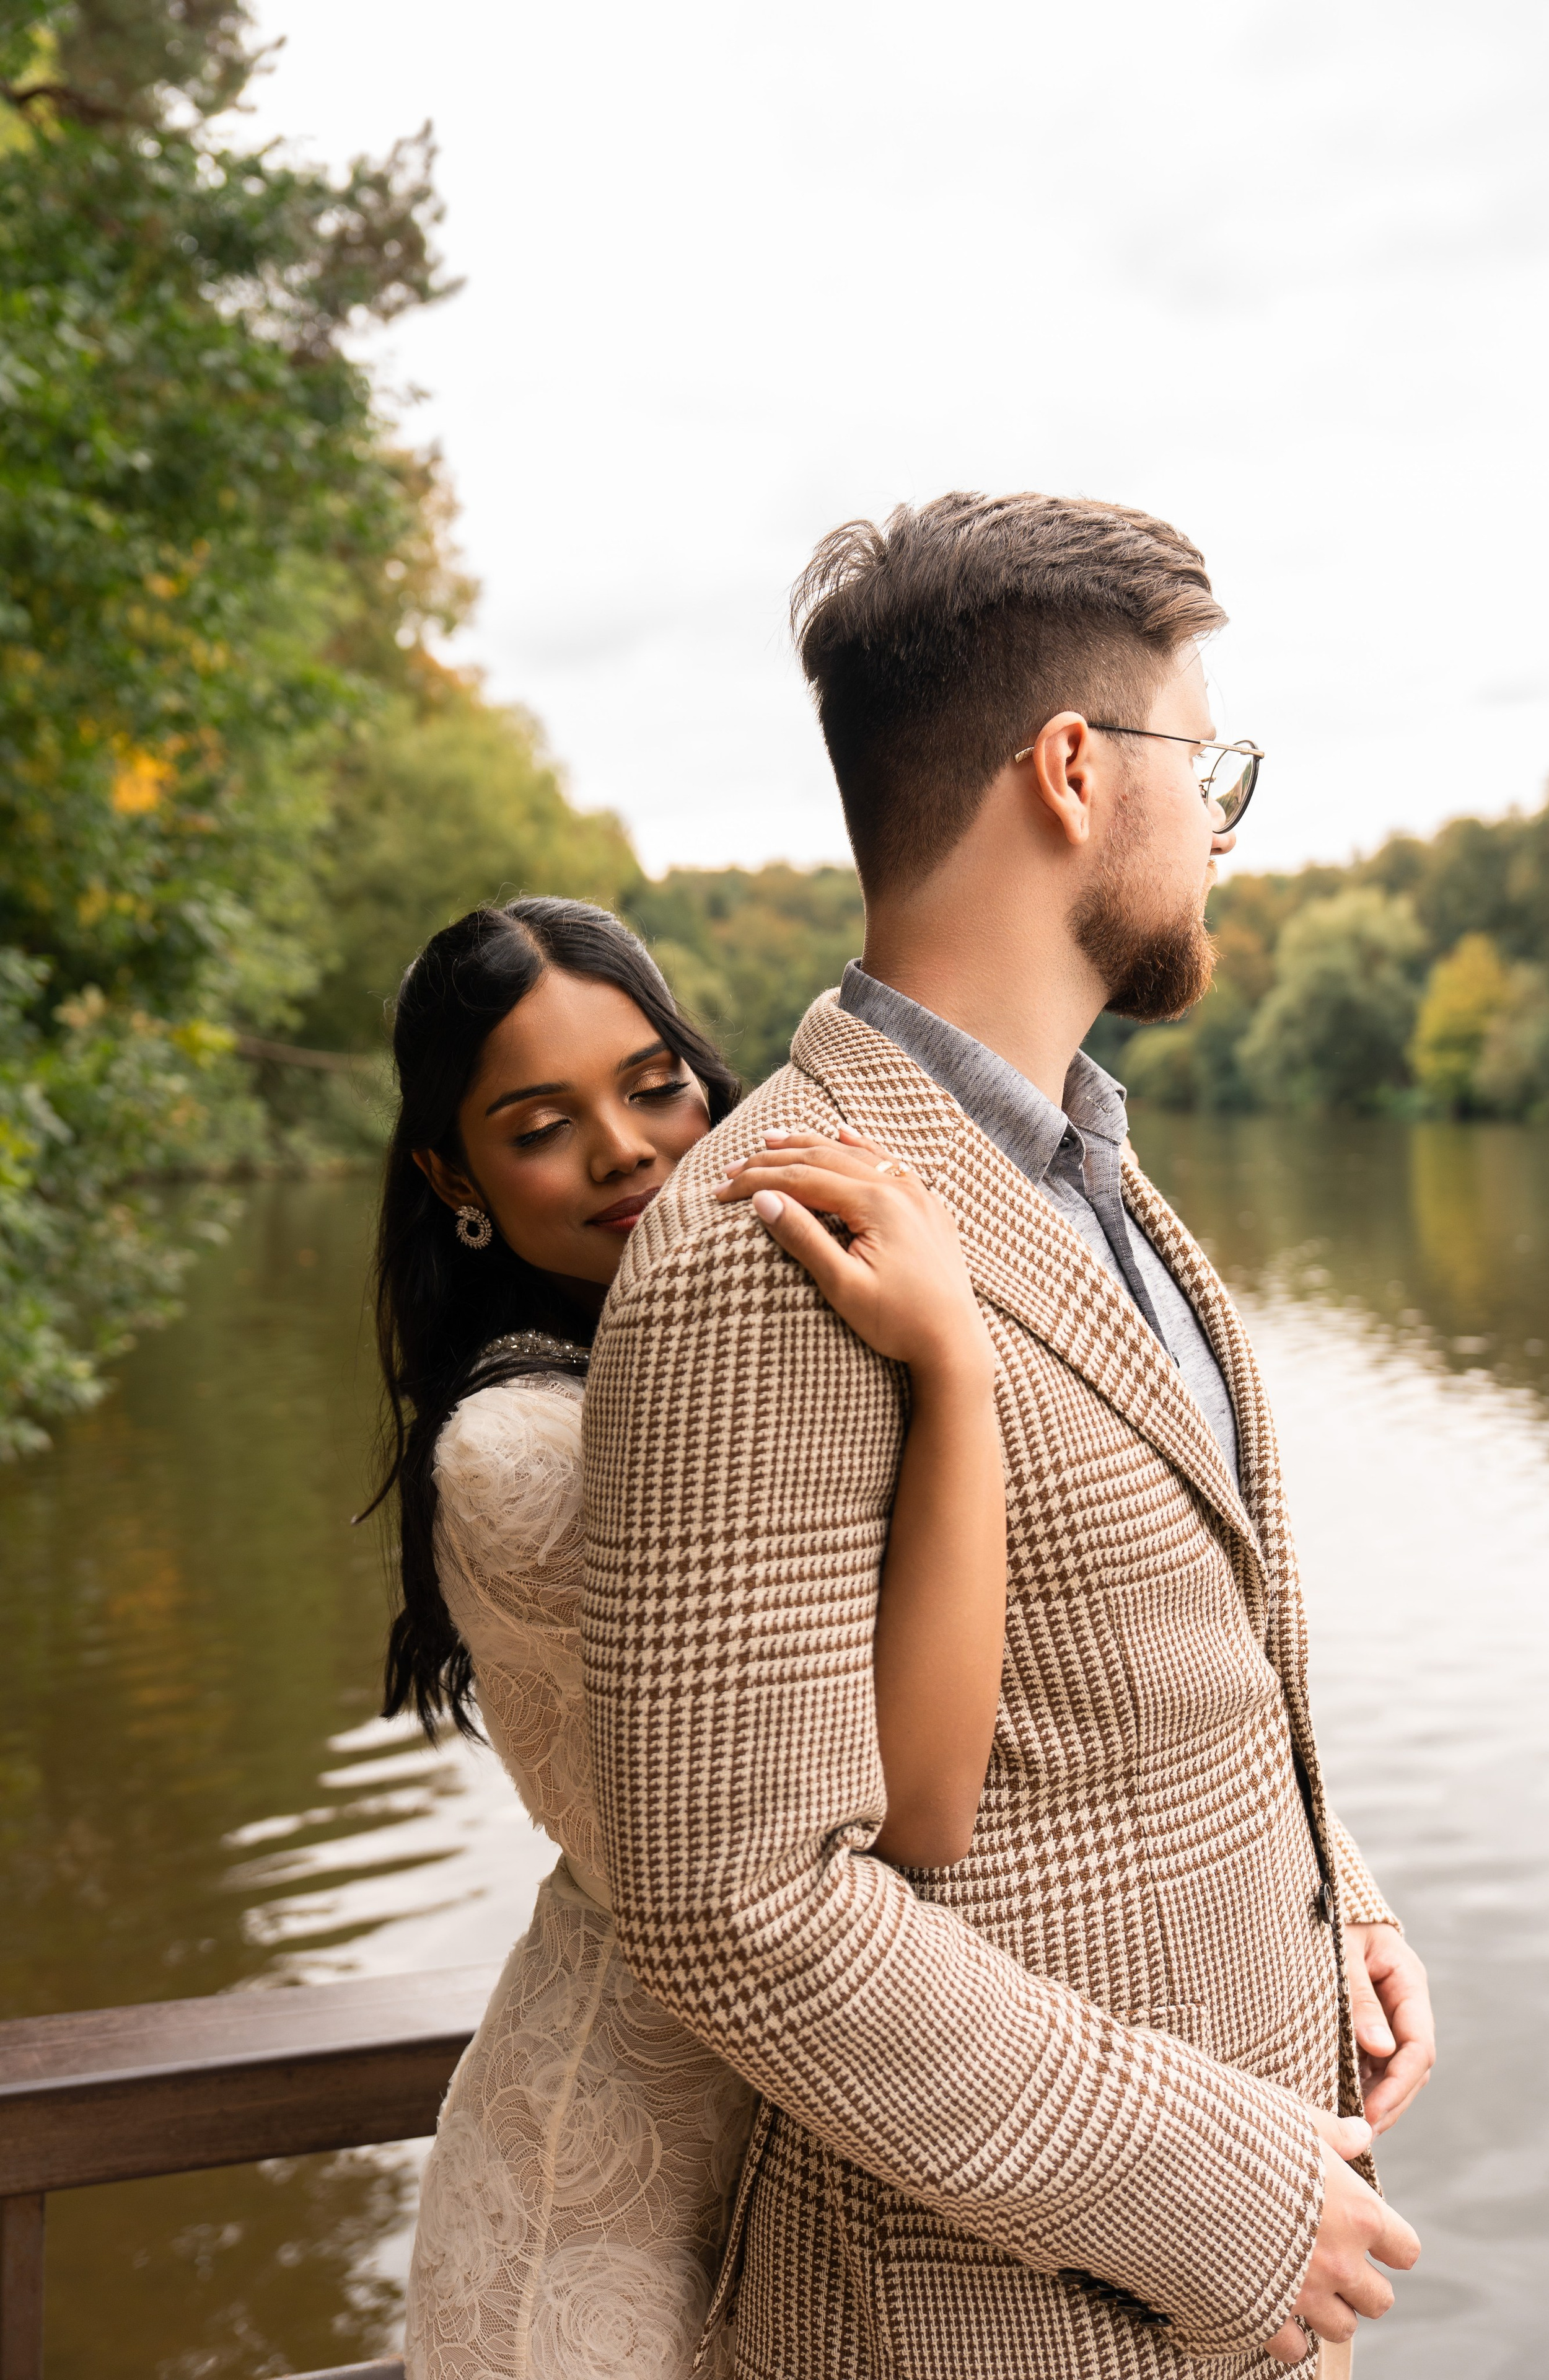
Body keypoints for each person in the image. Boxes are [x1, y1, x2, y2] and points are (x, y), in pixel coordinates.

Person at [582, 493, 1437, 2379]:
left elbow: (1149, 1663)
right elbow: (737, 1905)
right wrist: (1219, 2192)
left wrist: (1335, 1896)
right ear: (1073, 769)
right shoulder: (761, 1245)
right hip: (995, 2325)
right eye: (1204, 768)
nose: (1218, 832)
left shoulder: (1086, 1174)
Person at [369, 896, 1010, 2379]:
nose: (625, 1150)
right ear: (449, 1173)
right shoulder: (523, 1451)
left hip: (825, 2165)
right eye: (539, 1124)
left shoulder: (734, 1348)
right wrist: (954, 1371)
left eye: (654, 1085)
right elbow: (907, 1815)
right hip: (612, 2229)